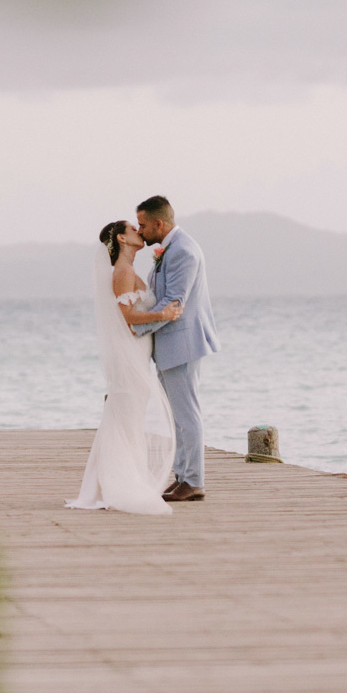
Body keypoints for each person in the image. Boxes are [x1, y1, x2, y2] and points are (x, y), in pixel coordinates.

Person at [66, 219, 183, 515]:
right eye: (134, 229)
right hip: (129, 354)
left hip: (136, 353)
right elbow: (128, 318)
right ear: (121, 238)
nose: (139, 232)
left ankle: (111, 482)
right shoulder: (122, 272)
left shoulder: (128, 271)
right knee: (126, 416)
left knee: (126, 416)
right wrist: (163, 314)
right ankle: (120, 482)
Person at [134, 195, 219, 502]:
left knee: (187, 415)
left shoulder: (183, 251)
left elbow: (174, 303)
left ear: (159, 223)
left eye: (143, 225)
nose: (140, 231)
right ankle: (182, 476)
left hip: (182, 343)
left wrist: (137, 329)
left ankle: (194, 480)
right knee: (176, 417)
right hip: (171, 345)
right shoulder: (171, 248)